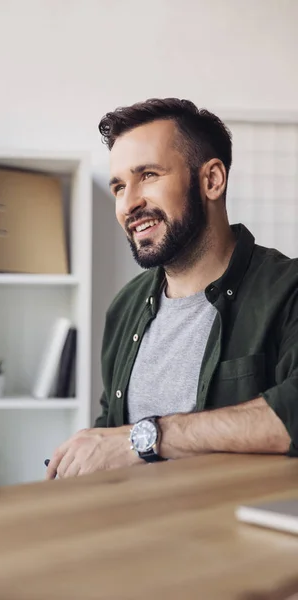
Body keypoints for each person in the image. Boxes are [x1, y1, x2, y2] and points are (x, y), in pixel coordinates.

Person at [46, 97, 298, 480]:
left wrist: (146, 437)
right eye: (118, 186)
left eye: (148, 175)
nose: (129, 203)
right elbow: (111, 427)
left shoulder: (288, 289)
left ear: (211, 180)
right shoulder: (124, 307)